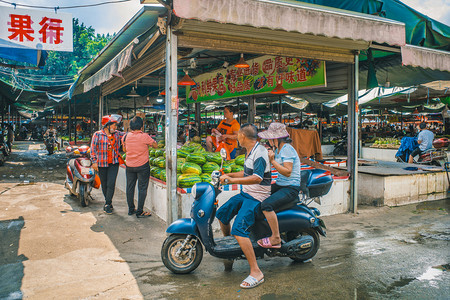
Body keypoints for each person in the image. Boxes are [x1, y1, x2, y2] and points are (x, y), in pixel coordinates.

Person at [216, 124, 271, 289]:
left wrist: (232, 181)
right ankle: (231, 250)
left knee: (239, 229)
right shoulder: (250, 150)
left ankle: (256, 272)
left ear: (243, 137)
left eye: (238, 135)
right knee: (222, 214)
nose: (236, 137)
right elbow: (247, 173)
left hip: (257, 197)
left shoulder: (260, 153)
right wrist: (229, 175)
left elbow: (256, 178)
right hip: (247, 193)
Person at [257, 122, 301, 248]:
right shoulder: (278, 149)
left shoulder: (287, 149)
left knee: (266, 205)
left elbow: (287, 172)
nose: (269, 140)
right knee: (259, 194)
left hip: (290, 187)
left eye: (270, 138)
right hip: (281, 184)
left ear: (275, 138)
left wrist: (272, 161)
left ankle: (275, 238)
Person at [122, 116, 158, 218]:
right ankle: (140, 211)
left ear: (131, 127)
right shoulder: (144, 136)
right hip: (142, 166)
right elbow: (155, 145)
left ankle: (130, 209)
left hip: (129, 166)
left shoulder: (125, 137)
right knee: (142, 188)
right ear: (141, 126)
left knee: (130, 187)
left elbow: (124, 150)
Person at [91, 114, 125, 214]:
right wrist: (94, 162)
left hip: (114, 163)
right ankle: (108, 202)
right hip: (101, 163)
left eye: (116, 126)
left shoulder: (118, 134)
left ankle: (107, 203)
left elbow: (127, 135)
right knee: (104, 184)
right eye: (114, 125)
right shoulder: (97, 134)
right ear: (107, 125)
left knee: (111, 183)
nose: (115, 127)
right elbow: (93, 149)